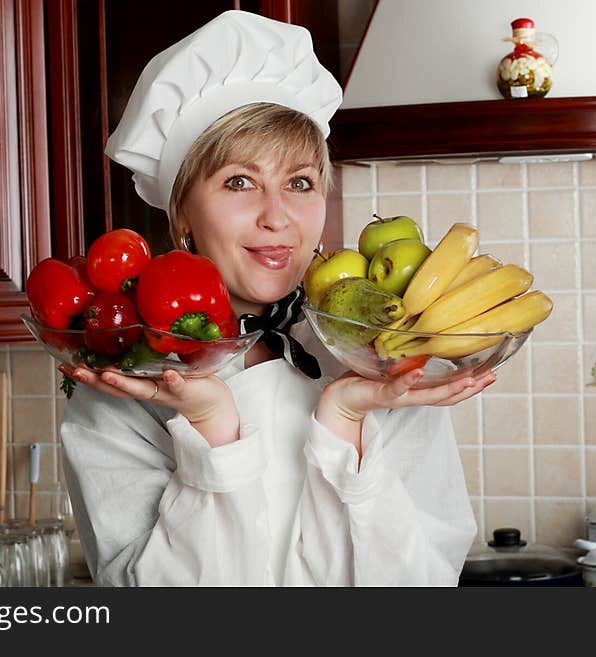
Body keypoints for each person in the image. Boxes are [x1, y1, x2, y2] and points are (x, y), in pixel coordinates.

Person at [60, 10, 490, 586]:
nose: (277, 217)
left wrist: (345, 419)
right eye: (240, 182)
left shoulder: (383, 357)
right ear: (182, 212)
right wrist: (211, 425)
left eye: (300, 183)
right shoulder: (128, 381)